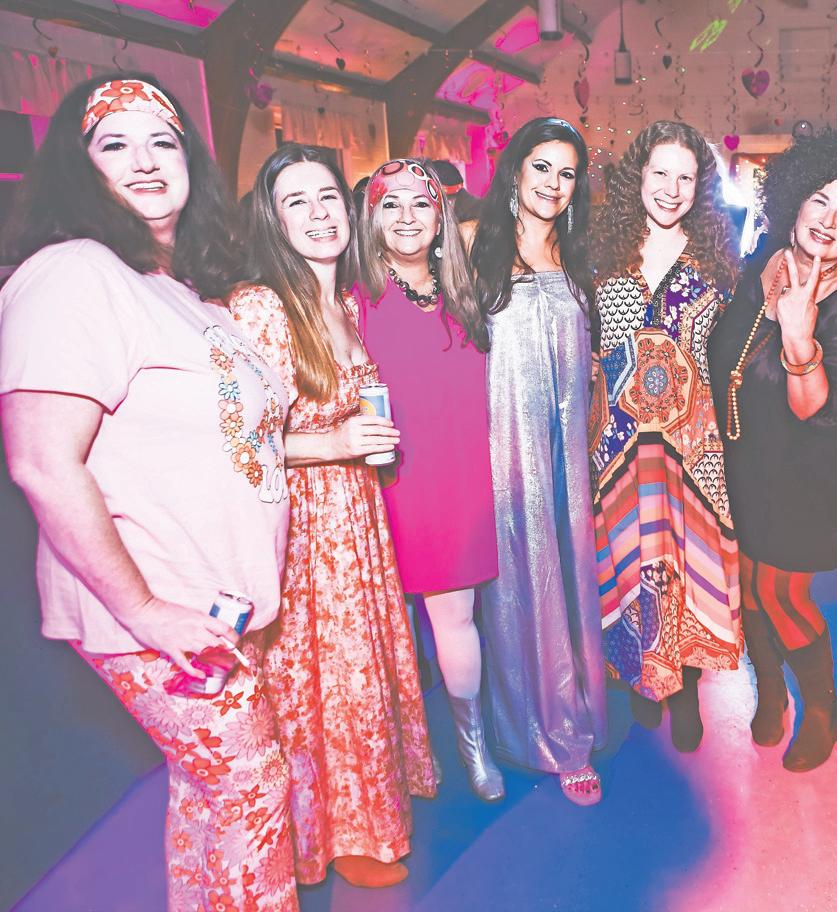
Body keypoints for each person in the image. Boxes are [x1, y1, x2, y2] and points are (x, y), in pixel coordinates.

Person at [0, 74, 297, 910]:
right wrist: (144, 610)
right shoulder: (73, 272)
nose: (145, 160)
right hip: (157, 609)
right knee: (249, 790)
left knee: (209, 795)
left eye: (163, 141)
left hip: (213, 604)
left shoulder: (168, 286)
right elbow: (41, 462)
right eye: (114, 143)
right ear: (77, 167)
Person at [230, 143, 437, 888]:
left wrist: (363, 446)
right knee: (320, 680)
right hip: (304, 529)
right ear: (274, 220)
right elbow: (237, 439)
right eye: (297, 201)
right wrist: (334, 443)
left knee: (359, 669)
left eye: (326, 197)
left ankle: (366, 816)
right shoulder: (260, 306)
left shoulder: (345, 302)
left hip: (357, 516)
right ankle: (331, 835)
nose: (318, 214)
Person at [709, 129, 837, 771]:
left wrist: (797, 337)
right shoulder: (762, 260)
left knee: (783, 595)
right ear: (794, 199)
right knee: (749, 591)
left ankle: (820, 707)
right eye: (820, 200)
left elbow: (814, 407)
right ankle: (769, 694)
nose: (829, 220)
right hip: (748, 459)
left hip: (809, 472)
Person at [589, 120, 741, 752]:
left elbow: (730, 357)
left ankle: (686, 693)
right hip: (617, 444)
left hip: (689, 445)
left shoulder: (718, 262)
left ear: (700, 187)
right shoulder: (601, 254)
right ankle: (641, 681)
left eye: (686, 177)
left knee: (685, 564)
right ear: (638, 176)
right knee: (630, 560)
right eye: (661, 173)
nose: (672, 189)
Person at [469, 117, 607, 805]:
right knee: (514, 587)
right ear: (516, 168)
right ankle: (533, 732)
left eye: (567, 173)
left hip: (567, 457)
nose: (553, 183)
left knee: (568, 576)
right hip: (502, 452)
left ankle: (572, 723)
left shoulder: (577, 255)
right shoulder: (474, 246)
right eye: (542, 166)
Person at [357, 157, 503, 801]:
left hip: (467, 481)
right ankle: (426, 751)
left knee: (461, 621)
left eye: (420, 202)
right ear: (371, 218)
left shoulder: (468, 296)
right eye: (391, 204)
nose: (407, 216)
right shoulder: (354, 303)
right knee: (406, 630)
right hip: (396, 483)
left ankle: (474, 746)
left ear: (441, 216)